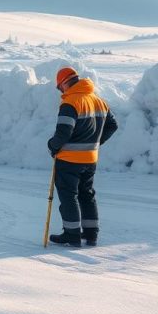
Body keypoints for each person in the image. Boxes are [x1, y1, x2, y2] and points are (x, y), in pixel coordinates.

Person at [47, 66, 118, 247]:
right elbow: (113, 125)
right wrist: (95, 142)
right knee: (87, 195)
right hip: (90, 159)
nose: (60, 91)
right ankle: (91, 234)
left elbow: (63, 132)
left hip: (69, 160)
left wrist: (52, 145)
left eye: (59, 87)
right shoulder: (98, 101)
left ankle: (72, 235)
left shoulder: (70, 103)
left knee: (69, 196)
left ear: (64, 83)